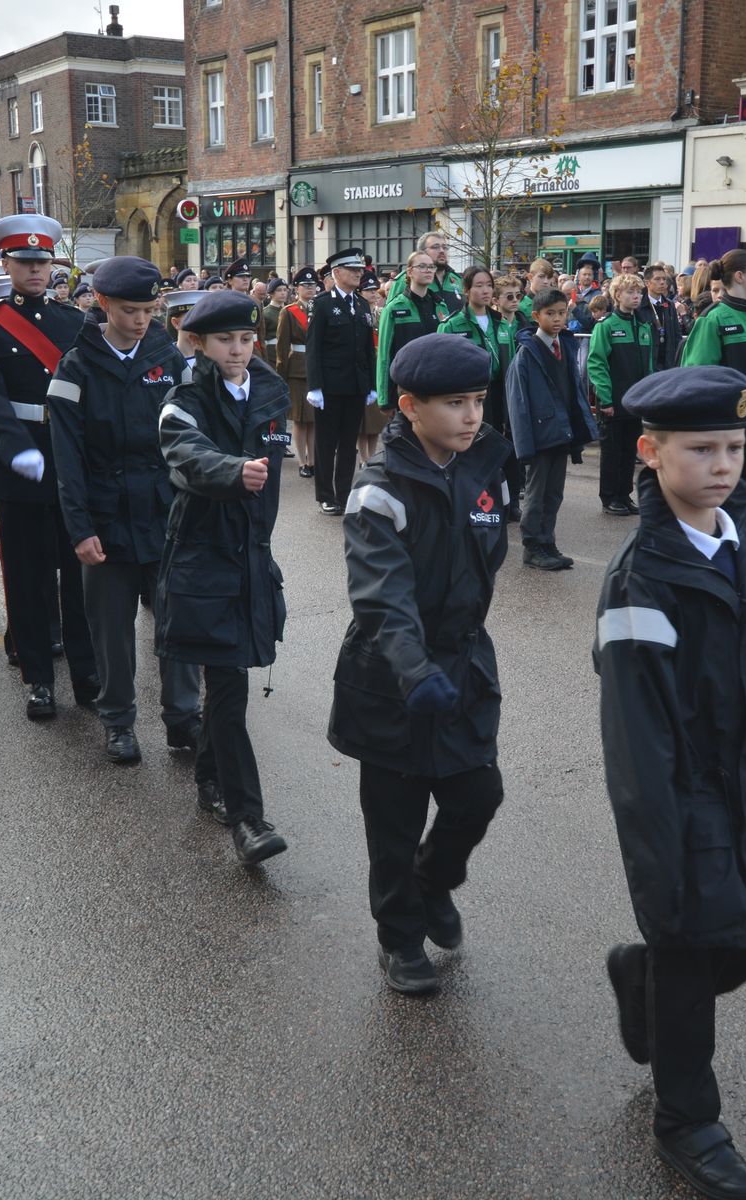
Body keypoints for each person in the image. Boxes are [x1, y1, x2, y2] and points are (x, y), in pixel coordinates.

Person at [595, 365, 746, 1200]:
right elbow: (636, 734)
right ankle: (687, 1120)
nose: (723, 464)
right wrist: (658, 855)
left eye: (734, 446)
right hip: (683, 795)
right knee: (694, 944)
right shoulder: (640, 576)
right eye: (701, 449)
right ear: (650, 452)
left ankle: (644, 977)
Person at [330, 333, 510, 996]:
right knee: (394, 824)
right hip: (392, 678)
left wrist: (452, 663)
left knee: (478, 795)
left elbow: (483, 564)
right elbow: (382, 594)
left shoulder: (485, 465)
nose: (471, 416)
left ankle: (433, 885)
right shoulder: (379, 491)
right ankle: (400, 938)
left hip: (462, 669)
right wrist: (412, 667)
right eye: (455, 403)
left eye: (479, 401)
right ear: (409, 406)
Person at [47, 256, 201, 766]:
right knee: (112, 634)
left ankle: (183, 718)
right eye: (130, 310)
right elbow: (65, 459)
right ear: (104, 305)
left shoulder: (169, 358)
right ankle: (118, 723)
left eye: (148, 310)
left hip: (166, 517)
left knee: (177, 625)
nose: (141, 320)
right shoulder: (75, 367)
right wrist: (80, 529)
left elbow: (191, 437)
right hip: (106, 522)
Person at [157, 291, 291, 865]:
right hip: (204, 563)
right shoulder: (181, 403)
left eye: (245, 339)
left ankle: (210, 780)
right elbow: (188, 459)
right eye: (224, 341)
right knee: (230, 687)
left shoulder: (270, 392)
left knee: (227, 684)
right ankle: (248, 819)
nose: (237, 351)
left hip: (252, 558)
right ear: (199, 344)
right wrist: (236, 471)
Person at [0, 214, 96, 719]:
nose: (36, 270)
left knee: (79, 573)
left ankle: (87, 673)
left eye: (42, 261)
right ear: (7, 263)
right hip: (18, 466)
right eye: (25, 261)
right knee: (24, 575)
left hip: (70, 459)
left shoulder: (74, 322)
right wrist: (14, 444)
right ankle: (39, 677)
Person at [505, 287, 597, 570]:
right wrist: (524, 446)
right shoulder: (526, 353)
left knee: (554, 492)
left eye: (561, 313)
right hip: (539, 435)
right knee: (536, 493)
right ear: (536, 316)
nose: (557, 319)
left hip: (560, 432)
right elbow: (518, 404)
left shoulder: (565, 345)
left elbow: (574, 391)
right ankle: (532, 546)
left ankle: (548, 541)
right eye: (550, 314)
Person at [681, 249, 746, 488]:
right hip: (727, 424)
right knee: (725, 493)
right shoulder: (714, 318)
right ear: (739, 276)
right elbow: (696, 376)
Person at [437, 265, 520, 513]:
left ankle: (510, 501)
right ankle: (473, 500)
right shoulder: (453, 324)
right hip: (471, 395)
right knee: (474, 447)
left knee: (506, 447)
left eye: (489, 285)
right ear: (466, 290)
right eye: (479, 285)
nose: (485, 290)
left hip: (500, 393)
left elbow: (512, 362)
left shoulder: (502, 323)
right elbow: (443, 366)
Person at [305, 248, 378, 516]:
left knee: (349, 443)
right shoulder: (322, 303)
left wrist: (371, 384)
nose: (360, 273)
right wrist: (314, 386)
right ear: (337, 273)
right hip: (330, 386)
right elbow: (313, 348)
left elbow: (368, 349)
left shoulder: (361, 304)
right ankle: (325, 495)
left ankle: (344, 492)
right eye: (354, 270)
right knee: (326, 443)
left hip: (355, 386)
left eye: (360, 269)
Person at [588, 271, 655, 516]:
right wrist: (605, 398)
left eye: (638, 292)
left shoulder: (644, 326)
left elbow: (648, 367)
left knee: (629, 451)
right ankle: (610, 497)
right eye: (630, 292)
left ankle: (624, 494)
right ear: (617, 295)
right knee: (612, 452)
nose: (636, 296)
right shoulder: (606, 326)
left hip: (636, 402)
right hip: (614, 401)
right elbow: (597, 364)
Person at [375, 250, 450, 410]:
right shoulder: (394, 308)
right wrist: (384, 398)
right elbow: (384, 355)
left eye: (431, 267)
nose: (428, 270)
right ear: (409, 272)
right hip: (405, 388)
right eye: (422, 266)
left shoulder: (440, 307)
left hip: (435, 386)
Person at [274, 266, 319, 478]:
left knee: (314, 419)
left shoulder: (321, 308)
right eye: (305, 285)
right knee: (301, 420)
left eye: (313, 284)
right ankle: (303, 461)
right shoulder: (289, 312)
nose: (310, 288)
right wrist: (281, 377)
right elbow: (282, 348)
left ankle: (313, 458)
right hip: (298, 371)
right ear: (297, 288)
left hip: (318, 368)